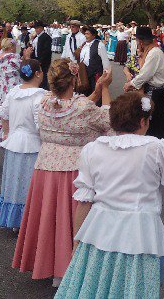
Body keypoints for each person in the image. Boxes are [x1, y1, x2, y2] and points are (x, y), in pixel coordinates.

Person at [55, 91, 164, 297]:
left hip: (99, 230)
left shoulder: (93, 150)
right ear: (143, 121)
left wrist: (76, 242)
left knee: (96, 287)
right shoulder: (156, 148)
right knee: (134, 290)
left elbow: (84, 200)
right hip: (140, 234)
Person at [12, 58, 113, 286]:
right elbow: (109, 121)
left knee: (50, 218)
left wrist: (95, 93)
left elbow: (72, 108)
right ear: (75, 79)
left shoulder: (45, 102)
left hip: (45, 167)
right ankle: (75, 269)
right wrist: (104, 89)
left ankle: (52, 265)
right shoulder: (82, 108)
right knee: (73, 219)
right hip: (75, 170)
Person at [0, 59, 46, 230]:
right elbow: (41, 125)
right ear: (38, 73)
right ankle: (29, 220)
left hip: (15, 142)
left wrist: (7, 132)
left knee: (15, 180)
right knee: (30, 182)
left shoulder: (14, 92)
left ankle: (15, 219)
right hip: (32, 144)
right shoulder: (40, 96)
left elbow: (3, 113)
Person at [124, 26, 164, 143]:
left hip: (155, 92)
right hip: (151, 90)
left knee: (155, 122)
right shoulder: (150, 51)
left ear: (140, 41)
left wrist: (130, 84)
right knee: (155, 122)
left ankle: (159, 149)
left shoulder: (154, 53)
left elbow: (145, 74)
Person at [0, 38, 28, 141]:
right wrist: (27, 57)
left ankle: (3, 132)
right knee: (12, 109)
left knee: (2, 109)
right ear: (11, 47)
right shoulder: (12, 58)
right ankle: (12, 133)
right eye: (15, 46)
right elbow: (25, 69)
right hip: (12, 86)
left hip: (1, 87)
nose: (16, 49)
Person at [32, 21, 52, 90]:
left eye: (38, 28)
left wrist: (40, 61)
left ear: (42, 28)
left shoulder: (46, 37)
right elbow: (34, 49)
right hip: (37, 59)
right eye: (35, 28)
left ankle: (44, 89)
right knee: (37, 75)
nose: (36, 30)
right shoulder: (36, 37)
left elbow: (46, 51)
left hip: (44, 61)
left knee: (44, 76)